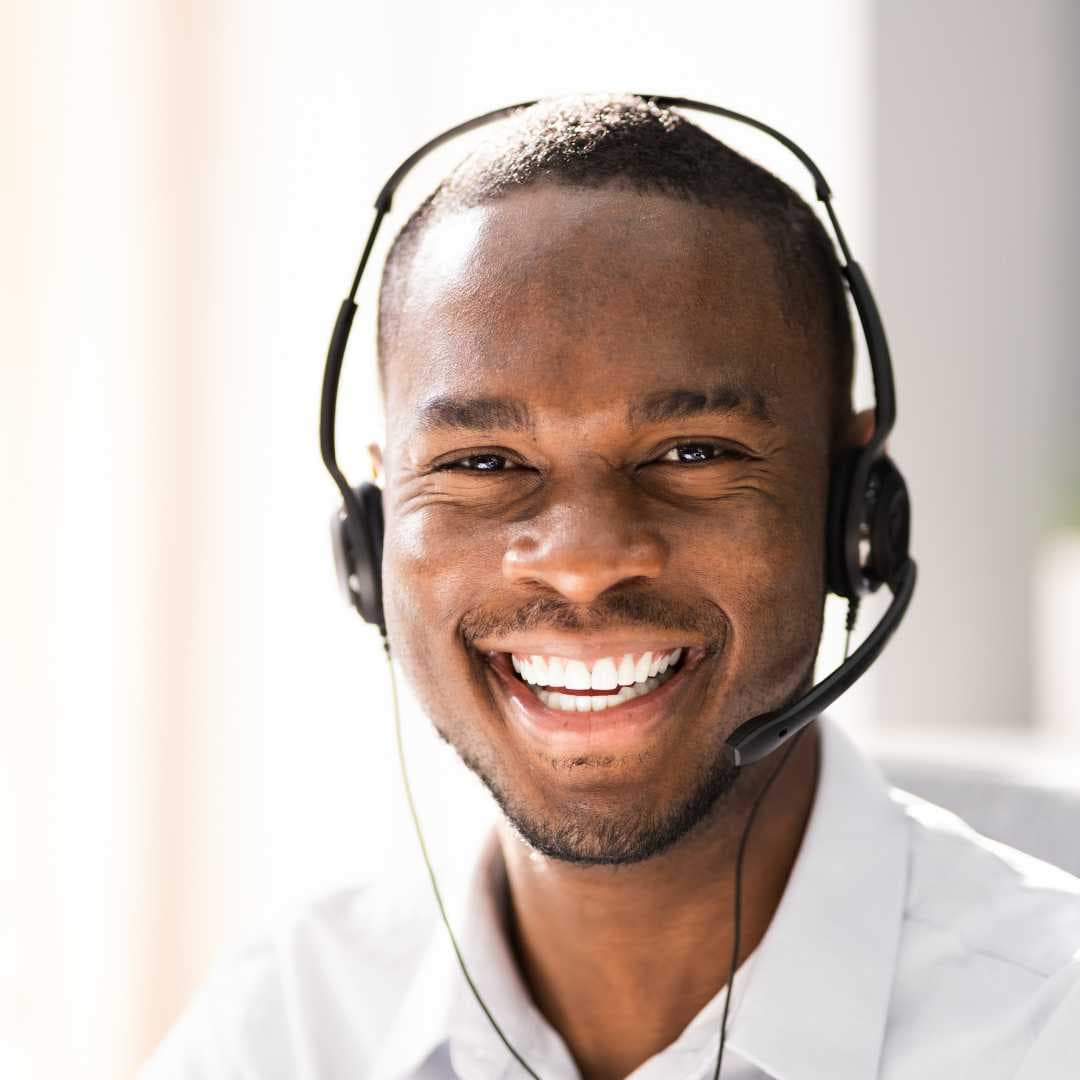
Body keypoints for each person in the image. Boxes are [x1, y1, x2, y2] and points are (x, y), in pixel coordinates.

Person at [142, 95, 1080, 1080]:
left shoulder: (1045, 1029)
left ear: (852, 514)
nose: (584, 561)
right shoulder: (286, 1024)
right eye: (483, 463)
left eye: (691, 451)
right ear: (374, 538)